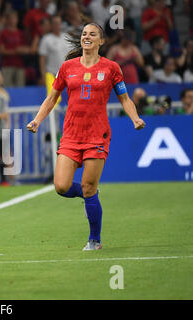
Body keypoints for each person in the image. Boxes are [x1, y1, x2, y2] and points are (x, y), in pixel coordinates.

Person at [27, 22, 145, 251]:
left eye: (92, 34)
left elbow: (124, 98)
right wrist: (37, 120)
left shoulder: (111, 68)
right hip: (71, 135)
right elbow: (52, 99)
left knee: (88, 186)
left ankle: (94, 240)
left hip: (97, 135)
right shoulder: (67, 67)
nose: (87, 37)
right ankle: (90, 196)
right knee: (61, 186)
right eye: (84, 34)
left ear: (101, 41)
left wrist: (135, 118)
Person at [38, 15, 71, 106]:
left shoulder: (67, 37)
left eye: (59, 23)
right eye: (55, 23)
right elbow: (42, 59)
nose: (57, 25)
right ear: (51, 25)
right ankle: (53, 119)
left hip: (67, 75)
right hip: (51, 74)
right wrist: (43, 75)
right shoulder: (46, 39)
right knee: (53, 100)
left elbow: (74, 56)